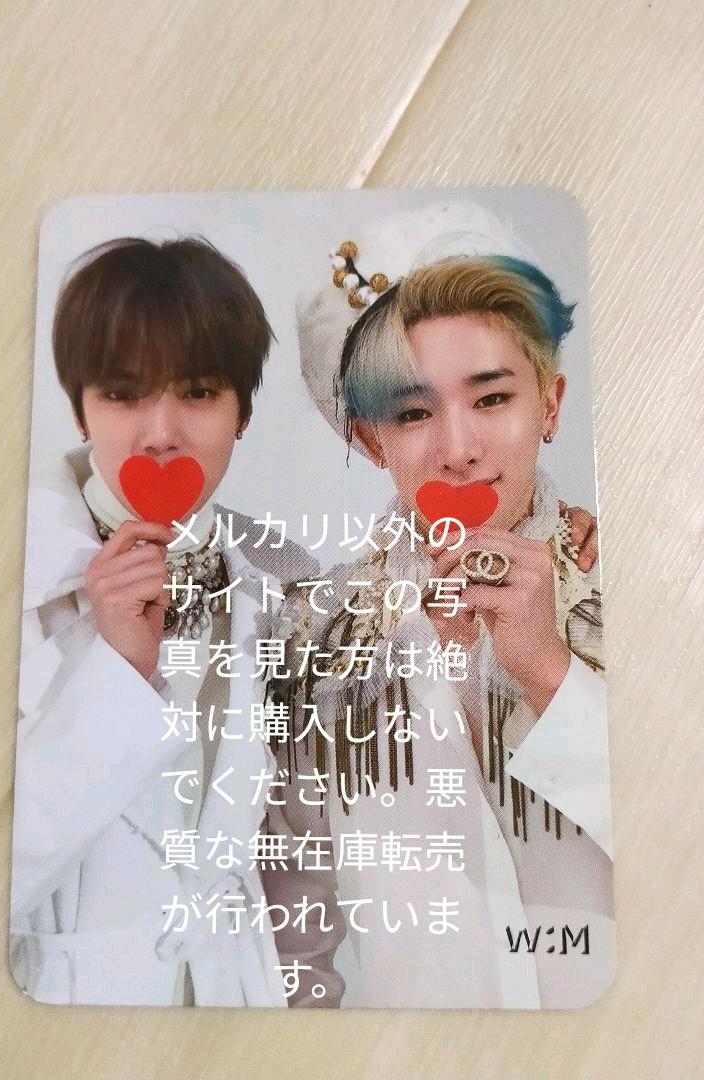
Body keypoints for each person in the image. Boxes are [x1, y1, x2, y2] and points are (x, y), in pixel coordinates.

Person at [267, 202, 613, 1008]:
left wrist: (550, 673)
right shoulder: (312, 642)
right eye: (414, 412)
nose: (459, 449)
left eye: (491, 399)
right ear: (370, 439)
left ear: (550, 404)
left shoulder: (634, 591)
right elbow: (291, 941)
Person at [9, 236, 344, 1006]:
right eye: (123, 393)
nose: (160, 430)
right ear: (78, 407)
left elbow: (300, 850)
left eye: (196, 392)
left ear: (242, 410)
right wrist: (118, 673)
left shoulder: (287, 581)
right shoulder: (1, 569)